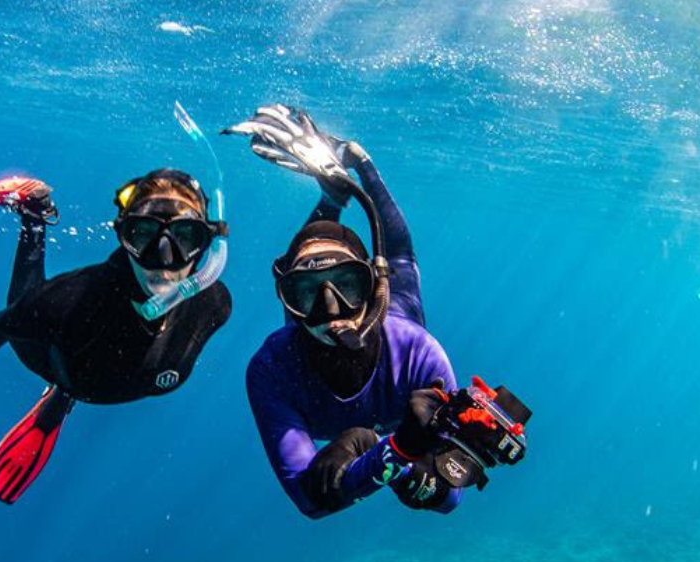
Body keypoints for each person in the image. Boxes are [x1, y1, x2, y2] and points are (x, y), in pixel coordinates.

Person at [227, 105, 530, 519]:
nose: (331, 309)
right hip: (358, 388)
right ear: (289, 301)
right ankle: (332, 197)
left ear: (372, 288)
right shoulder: (272, 368)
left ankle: (362, 161)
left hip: (398, 316)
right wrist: (393, 449)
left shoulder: (418, 352)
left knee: (401, 259)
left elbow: (448, 495)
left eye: (347, 285)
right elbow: (310, 501)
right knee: (384, 254)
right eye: (307, 291)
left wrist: (382, 452)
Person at [0, 169, 232, 503]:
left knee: (76, 367)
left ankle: (64, 396)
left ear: (206, 249)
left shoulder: (214, 305)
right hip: (47, 355)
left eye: (185, 237)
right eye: (142, 235)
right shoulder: (69, 301)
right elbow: (2, 324)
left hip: (86, 374)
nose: (164, 258)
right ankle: (33, 214)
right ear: (123, 237)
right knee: (23, 305)